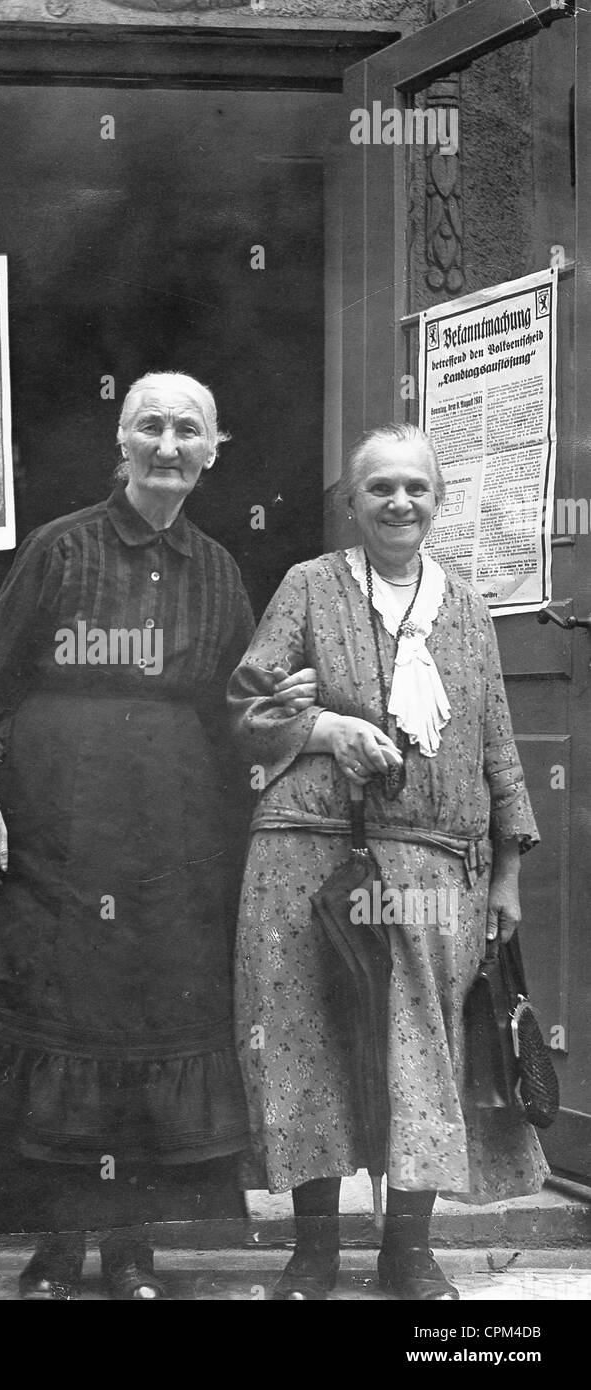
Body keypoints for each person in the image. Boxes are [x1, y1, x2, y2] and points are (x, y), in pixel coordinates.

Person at [0, 372, 316, 1299]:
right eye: (152, 428)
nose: (169, 446)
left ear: (214, 452)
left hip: (173, 850)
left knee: (145, 1038)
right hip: (52, 842)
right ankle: (55, 1245)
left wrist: (277, 711)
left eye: (189, 432)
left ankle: (132, 1251)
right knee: (59, 1034)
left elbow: (235, 717)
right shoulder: (59, 549)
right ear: (120, 444)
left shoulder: (218, 569)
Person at [228, 422, 548, 1302]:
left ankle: (408, 1252)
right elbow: (244, 712)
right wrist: (325, 729)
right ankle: (314, 1253)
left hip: (435, 867)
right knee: (308, 1044)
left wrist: (509, 874)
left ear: (437, 501)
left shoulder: (470, 608)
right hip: (306, 854)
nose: (399, 503)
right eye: (380, 489)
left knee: (421, 1050)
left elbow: (498, 748)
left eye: (415, 488)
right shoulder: (309, 587)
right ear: (353, 504)